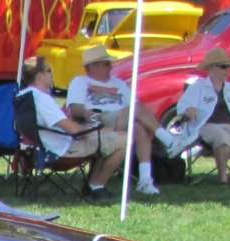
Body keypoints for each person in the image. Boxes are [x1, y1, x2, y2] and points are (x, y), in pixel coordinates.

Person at [16, 57, 130, 200]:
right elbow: (72, 129)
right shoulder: (41, 99)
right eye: (49, 71)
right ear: (39, 76)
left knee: (107, 136)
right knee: (125, 139)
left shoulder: (23, 95)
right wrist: (93, 127)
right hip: (63, 150)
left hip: (43, 146)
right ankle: (97, 186)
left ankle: (92, 185)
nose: (52, 75)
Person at [64, 45, 162, 195]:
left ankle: (145, 180)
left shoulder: (119, 83)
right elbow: (74, 109)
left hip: (122, 118)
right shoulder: (80, 81)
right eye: (107, 64)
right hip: (98, 119)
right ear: (92, 66)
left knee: (140, 127)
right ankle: (168, 140)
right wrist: (87, 113)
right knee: (135, 111)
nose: (111, 67)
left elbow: (136, 106)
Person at [163, 48, 230, 186]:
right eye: (223, 66)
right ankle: (223, 178)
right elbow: (183, 106)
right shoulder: (197, 88)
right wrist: (188, 110)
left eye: (228, 66)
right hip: (206, 125)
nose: (228, 70)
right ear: (211, 68)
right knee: (222, 138)